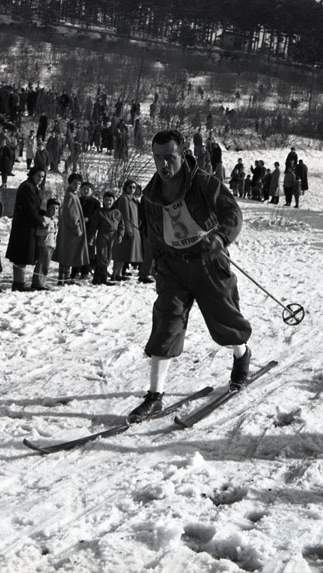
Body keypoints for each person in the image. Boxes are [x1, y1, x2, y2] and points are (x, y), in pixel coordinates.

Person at [128, 129, 252, 423]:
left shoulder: (203, 182)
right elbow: (152, 232)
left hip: (208, 260)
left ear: (182, 155)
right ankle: (155, 396)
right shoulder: (151, 195)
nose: (163, 164)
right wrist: (157, 262)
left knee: (224, 318)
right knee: (166, 322)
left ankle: (241, 355)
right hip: (173, 267)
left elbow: (232, 212)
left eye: (169, 157)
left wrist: (221, 237)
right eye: (157, 158)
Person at [6, 166, 46, 291]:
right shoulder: (27, 187)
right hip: (23, 226)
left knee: (23, 254)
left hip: (28, 226)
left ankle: (19, 282)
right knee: (21, 255)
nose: (40, 179)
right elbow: (29, 208)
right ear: (32, 174)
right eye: (38, 176)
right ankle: (18, 283)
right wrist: (40, 221)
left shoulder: (33, 187)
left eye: (42, 176)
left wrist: (43, 213)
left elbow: (35, 206)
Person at [53, 173, 90, 285]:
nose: (77, 186)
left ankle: (65, 277)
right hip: (71, 231)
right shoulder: (70, 196)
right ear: (70, 183)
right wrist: (76, 228)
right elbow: (72, 215)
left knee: (67, 254)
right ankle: (63, 278)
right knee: (68, 254)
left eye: (79, 184)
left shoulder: (72, 194)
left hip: (69, 230)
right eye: (75, 183)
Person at [112, 179, 143, 281]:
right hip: (127, 229)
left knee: (125, 253)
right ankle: (116, 273)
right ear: (125, 187)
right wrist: (128, 230)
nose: (132, 189)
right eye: (130, 187)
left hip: (134, 228)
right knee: (121, 252)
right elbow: (125, 216)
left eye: (134, 187)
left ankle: (118, 273)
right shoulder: (124, 199)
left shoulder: (133, 200)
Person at [91, 191, 124, 285]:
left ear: (113, 201)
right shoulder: (99, 212)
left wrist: (120, 235)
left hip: (113, 236)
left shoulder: (117, 213)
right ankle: (102, 278)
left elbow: (121, 225)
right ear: (103, 201)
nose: (108, 202)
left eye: (110, 200)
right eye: (106, 200)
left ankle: (97, 278)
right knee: (102, 256)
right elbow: (93, 226)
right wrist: (92, 237)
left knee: (109, 257)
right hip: (103, 235)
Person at [32, 198, 59, 290]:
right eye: (52, 208)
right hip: (44, 244)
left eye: (56, 208)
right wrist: (47, 230)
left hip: (51, 244)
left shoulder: (55, 220)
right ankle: (38, 283)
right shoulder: (43, 219)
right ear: (47, 208)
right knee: (41, 264)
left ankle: (42, 282)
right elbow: (37, 232)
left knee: (46, 265)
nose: (54, 211)